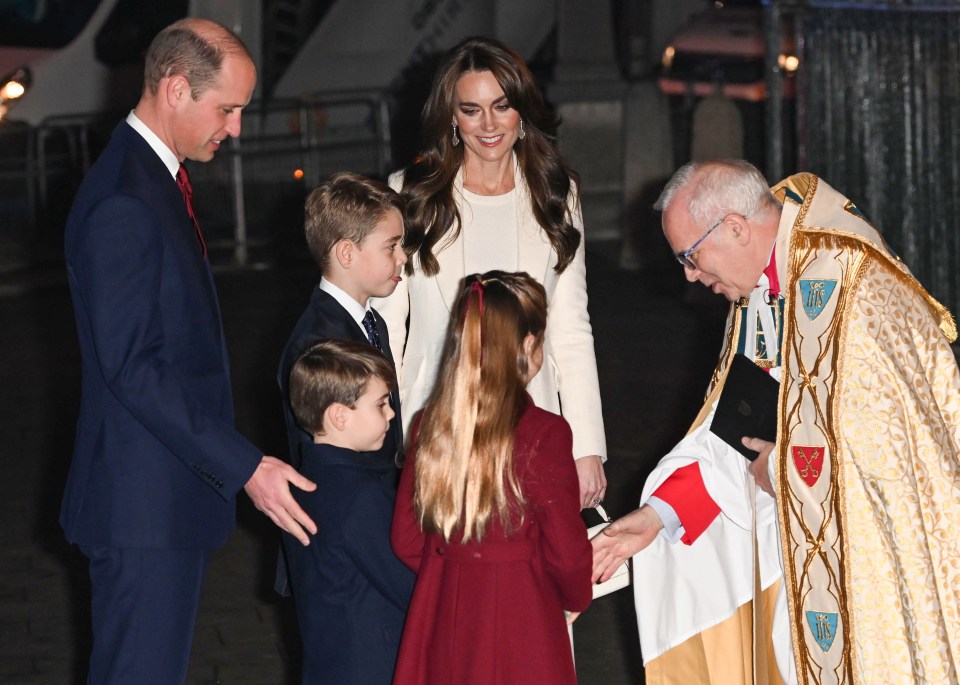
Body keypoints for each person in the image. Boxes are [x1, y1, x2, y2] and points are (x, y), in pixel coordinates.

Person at [592, 160, 960, 684]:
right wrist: (659, 515)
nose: (690, 277)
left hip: (869, 572)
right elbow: (738, 430)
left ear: (736, 228)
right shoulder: (763, 287)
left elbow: (894, 461)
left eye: (691, 258)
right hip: (801, 553)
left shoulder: (854, 287)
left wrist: (787, 472)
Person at [60, 19, 317, 684]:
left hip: (156, 496)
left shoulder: (150, 175)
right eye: (226, 109)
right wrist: (246, 466)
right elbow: (134, 367)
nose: (234, 129)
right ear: (175, 90)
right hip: (141, 508)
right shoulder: (126, 198)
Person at [372, 36, 607, 509]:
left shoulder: (556, 193)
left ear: (521, 110)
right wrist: (388, 432)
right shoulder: (409, 193)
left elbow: (570, 329)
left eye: (502, 105)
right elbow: (386, 328)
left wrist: (587, 447)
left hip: (531, 425)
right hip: (436, 426)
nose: (489, 124)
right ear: (452, 118)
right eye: (471, 109)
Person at [391, 270, 593, 685]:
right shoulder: (545, 434)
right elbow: (566, 550)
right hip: (522, 614)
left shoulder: (429, 425)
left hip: (444, 606)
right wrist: (574, 594)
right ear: (528, 344)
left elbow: (406, 539)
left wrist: (454, 572)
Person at [274, 172, 407, 596]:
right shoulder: (321, 342)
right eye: (392, 246)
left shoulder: (366, 322)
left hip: (371, 524)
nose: (404, 257)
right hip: (348, 546)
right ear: (347, 253)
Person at [282, 339, 414, 684]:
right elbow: (411, 587)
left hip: (326, 664)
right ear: (340, 415)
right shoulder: (362, 497)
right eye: (381, 404)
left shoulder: (299, 485)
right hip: (374, 667)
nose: (391, 414)